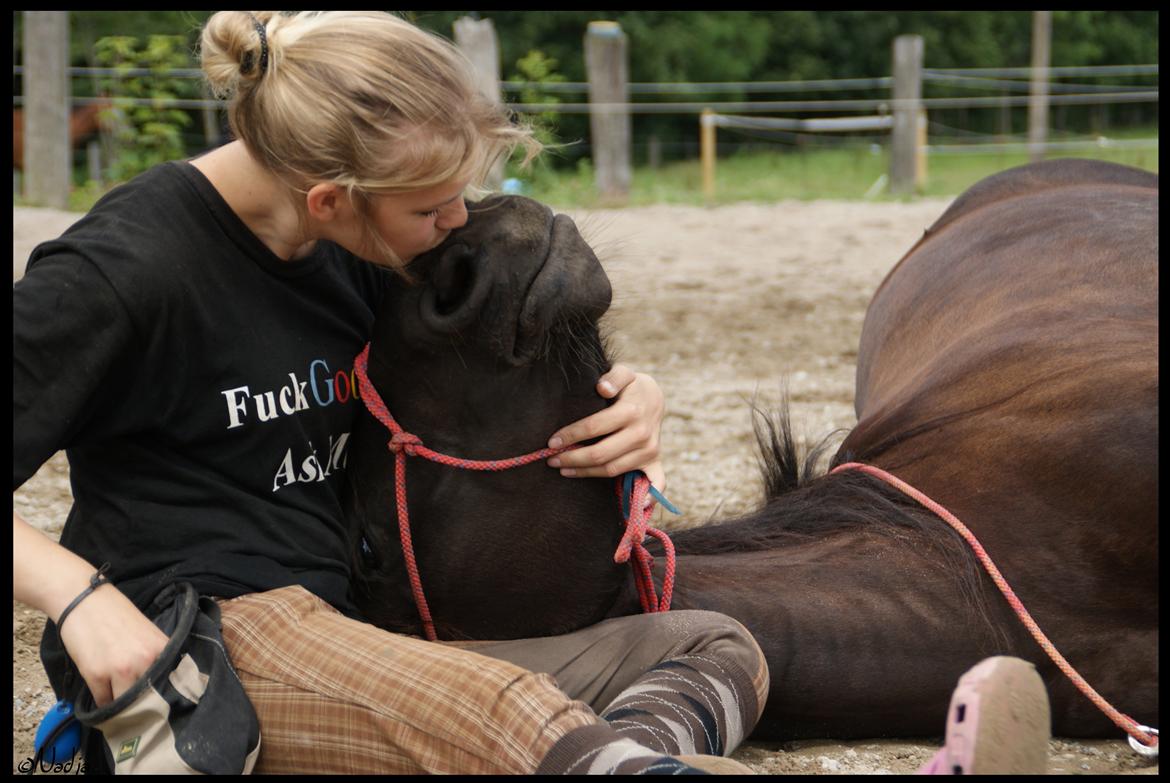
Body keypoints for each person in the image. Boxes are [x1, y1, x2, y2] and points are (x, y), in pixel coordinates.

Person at [14, 11, 769, 774]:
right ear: (328, 199)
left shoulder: (350, 243)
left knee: (713, 642)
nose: (458, 220)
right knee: (504, 710)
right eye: (430, 208)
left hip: (359, 622)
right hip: (202, 641)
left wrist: (632, 398)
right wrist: (80, 599)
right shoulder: (120, 271)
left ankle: (612, 759)